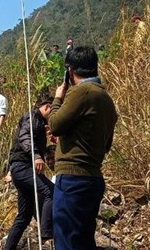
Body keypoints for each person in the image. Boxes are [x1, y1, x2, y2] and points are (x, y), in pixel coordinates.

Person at [48, 46, 118, 250]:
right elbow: (106, 145)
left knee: (67, 242)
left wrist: (57, 98)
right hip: (92, 179)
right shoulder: (106, 99)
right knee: (84, 242)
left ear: (70, 71)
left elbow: (55, 124)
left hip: (72, 180)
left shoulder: (81, 92)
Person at [4, 97, 54, 250]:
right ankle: (46, 232)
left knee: (24, 216)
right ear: (47, 107)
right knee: (51, 191)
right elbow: (25, 137)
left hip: (21, 169)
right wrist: (37, 156)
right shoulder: (32, 117)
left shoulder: (40, 123)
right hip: (23, 167)